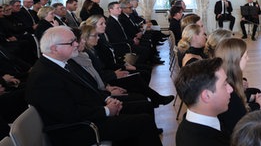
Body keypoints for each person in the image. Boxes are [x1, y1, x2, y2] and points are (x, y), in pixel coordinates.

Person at [25, 26, 162, 146]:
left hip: (88, 116)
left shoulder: (63, 63)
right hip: (76, 130)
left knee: (141, 110)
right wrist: (106, 111)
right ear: (54, 48)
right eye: (71, 42)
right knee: (143, 122)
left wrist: (107, 100)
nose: (76, 44)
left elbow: (88, 89)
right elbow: (67, 114)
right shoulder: (43, 76)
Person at [174, 58, 233, 146]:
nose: (231, 89)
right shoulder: (203, 141)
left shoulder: (187, 125)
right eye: (224, 84)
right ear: (207, 96)